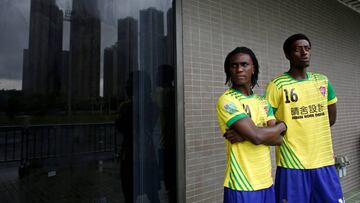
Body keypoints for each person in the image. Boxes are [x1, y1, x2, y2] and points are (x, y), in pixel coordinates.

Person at [265, 33, 344, 202]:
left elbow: (330, 119)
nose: (304, 52)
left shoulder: (322, 81)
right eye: (297, 49)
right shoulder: (277, 85)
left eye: (307, 48)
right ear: (287, 55)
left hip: (323, 161)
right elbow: (268, 121)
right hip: (291, 165)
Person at [216, 47, 287, 203]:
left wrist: (246, 135)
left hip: (266, 182)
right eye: (234, 65)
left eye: (244, 64)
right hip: (241, 185)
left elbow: (279, 140)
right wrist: (280, 126)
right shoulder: (228, 100)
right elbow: (257, 137)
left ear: (253, 68)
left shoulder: (262, 102)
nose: (239, 69)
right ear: (228, 70)